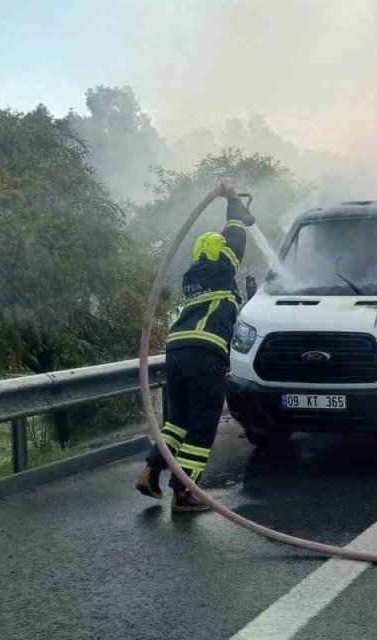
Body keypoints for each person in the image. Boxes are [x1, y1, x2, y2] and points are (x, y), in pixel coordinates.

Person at [136, 184, 255, 512]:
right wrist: (233, 202)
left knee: (177, 423)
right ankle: (184, 493)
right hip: (206, 355)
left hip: (177, 351)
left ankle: (150, 471)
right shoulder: (222, 266)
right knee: (202, 424)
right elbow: (235, 235)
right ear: (221, 252)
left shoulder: (193, 275)